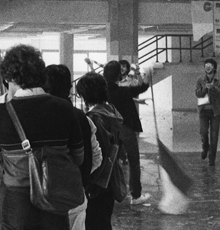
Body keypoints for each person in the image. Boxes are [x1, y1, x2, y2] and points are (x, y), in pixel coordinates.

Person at [0, 44, 84, 230]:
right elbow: (78, 157)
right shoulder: (64, 108)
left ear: (8, 76)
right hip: (55, 195)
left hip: (17, 198)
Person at [44, 65, 99, 230]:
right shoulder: (82, 117)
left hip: (45, 196)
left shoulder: (38, 117)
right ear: (69, 87)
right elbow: (97, 157)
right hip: (76, 195)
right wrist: (82, 179)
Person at [75, 72, 122, 230]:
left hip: (98, 183)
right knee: (103, 221)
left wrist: (89, 184)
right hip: (110, 179)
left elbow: (98, 155)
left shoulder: (95, 118)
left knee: (95, 222)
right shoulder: (111, 111)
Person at [104, 60, 150, 205]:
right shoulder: (121, 91)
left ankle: (108, 193)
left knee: (110, 161)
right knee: (133, 160)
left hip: (110, 129)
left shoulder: (104, 91)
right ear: (118, 74)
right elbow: (141, 88)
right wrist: (147, 76)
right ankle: (136, 195)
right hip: (126, 128)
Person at [196, 58, 220, 167]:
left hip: (215, 112)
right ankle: (205, 148)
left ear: (214, 68)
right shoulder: (200, 80)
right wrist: (204, 88)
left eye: (210, 65)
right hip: (203, 111)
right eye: (206, 65)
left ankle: (212, 158)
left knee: (214, 136)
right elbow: (197, 94)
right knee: (203, 132)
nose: (208, 67)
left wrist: (213, 87)